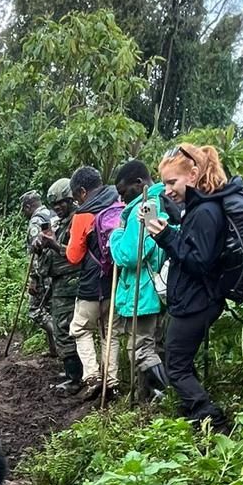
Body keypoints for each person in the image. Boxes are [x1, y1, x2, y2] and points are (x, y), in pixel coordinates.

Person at [144, 143, 241, 433]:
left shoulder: (207, 211)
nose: (168, 189)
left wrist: (164, 237)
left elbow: (199, 260)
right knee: (180, 361)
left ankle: (211, 419)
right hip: (194, 300)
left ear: (194, 173)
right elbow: (194, 245)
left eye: (172, 182)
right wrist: (173, 222)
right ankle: (193, 418)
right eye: (164, 183)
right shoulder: (200, 208)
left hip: (196, 301)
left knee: (176, 366)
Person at [36, 166, 122, 399]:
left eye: (73, 197)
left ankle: (92, 378)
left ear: (82, 192)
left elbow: (74, 257)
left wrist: (54, 245)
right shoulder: (117, 203)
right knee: (109, 333)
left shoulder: (84, 214)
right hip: (114, 280)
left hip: (90, 284)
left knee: (79, 328)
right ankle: (111, 381)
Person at [109, 160, 169, 400]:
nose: (122, 200)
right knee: (151, 346)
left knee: (141, 349)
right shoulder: (162, 201)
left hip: (143, 290)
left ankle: (167, 394)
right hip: (156, 288)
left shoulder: (144, 207)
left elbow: (131, 254)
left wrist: (116, 236)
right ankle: (143, 398)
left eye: (124, 193)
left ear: (139, 183)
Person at [29, 179, 83, 386]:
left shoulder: (77, 220)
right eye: (54, 205)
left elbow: (75, 253)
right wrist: (41, 245)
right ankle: (72, 373)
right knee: (63, 329)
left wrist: (53, 244)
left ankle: (75, 378)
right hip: (58, 282)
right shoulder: (58, 222)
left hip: (72, 282)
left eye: (61, 203)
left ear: (71, 199)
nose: (58, 208)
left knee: (65, 328)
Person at [20, 190, 59, 358]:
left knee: (35, 310)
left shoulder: (36, 221)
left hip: (44, 273)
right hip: (57, 270)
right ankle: (54, 350)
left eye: (23, 209)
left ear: (28, 207)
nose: (23, 213)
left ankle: (60, 342)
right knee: (49, 309)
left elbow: (37, 253)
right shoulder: (52, 214)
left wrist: (34, 280)